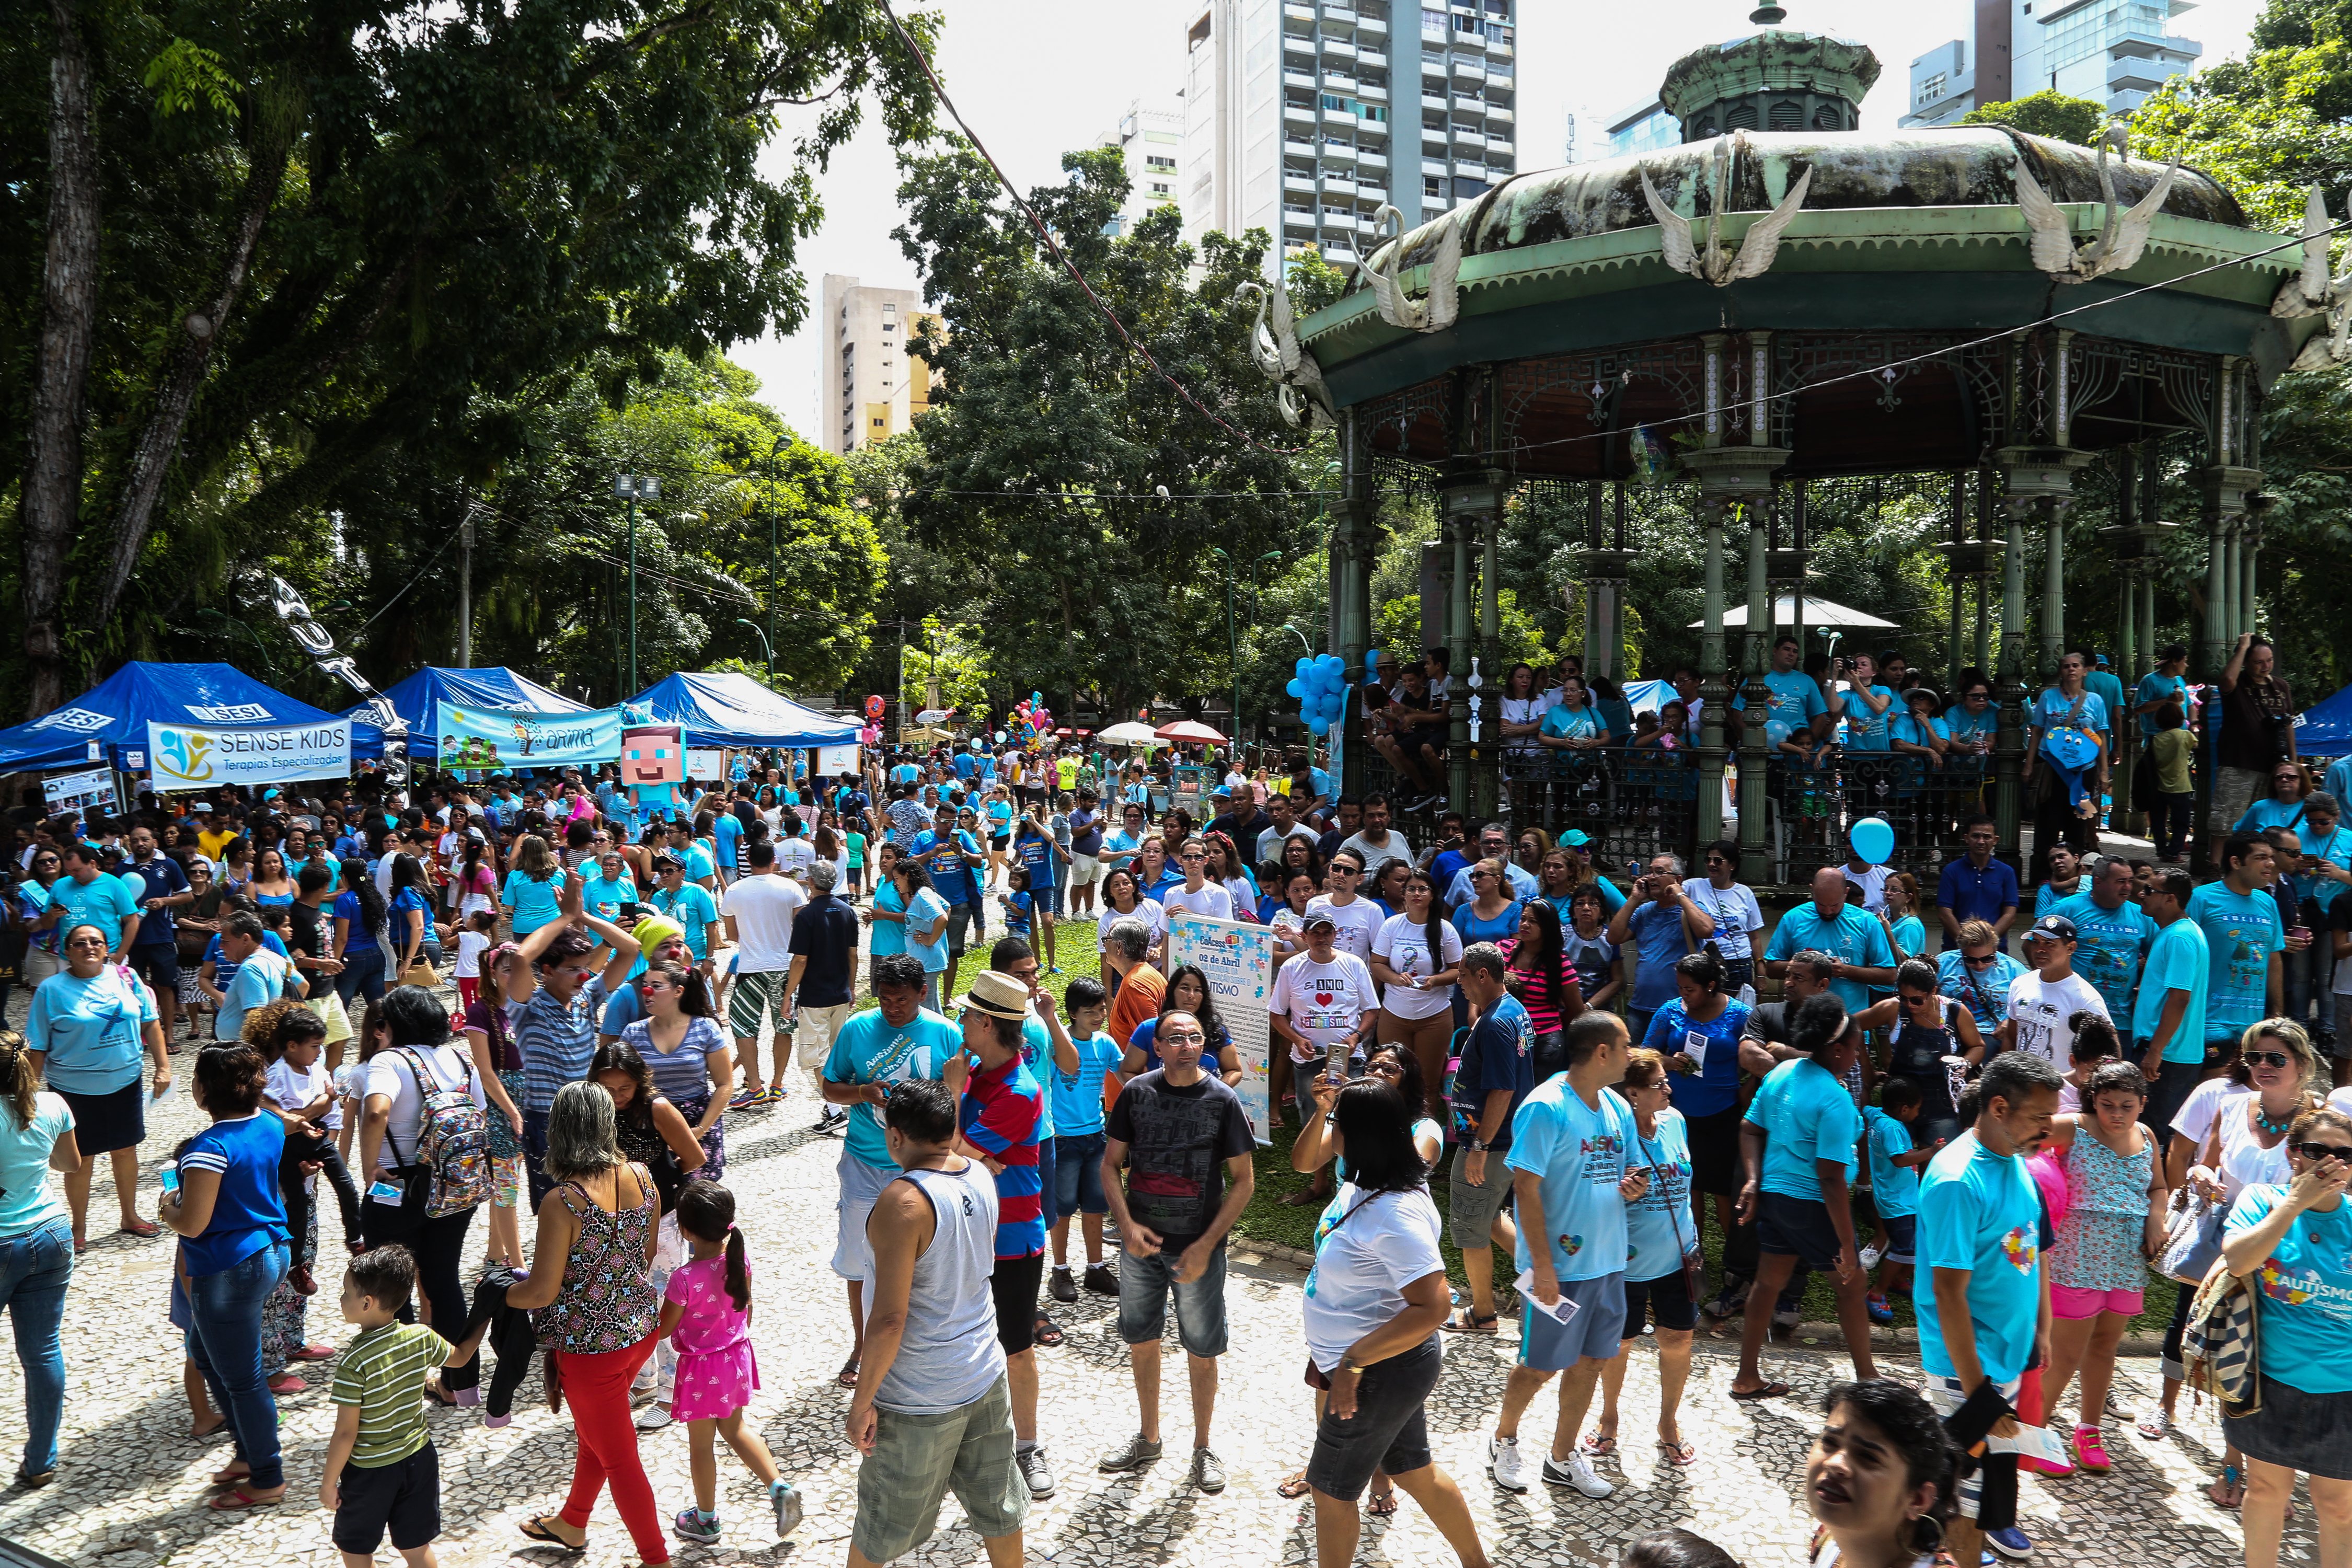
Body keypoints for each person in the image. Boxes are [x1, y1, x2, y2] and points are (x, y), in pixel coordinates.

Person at [1299, 1079, 1493, 1568]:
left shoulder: (1396, 1212)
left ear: (1360, 1135)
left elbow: (1435, 1306)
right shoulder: (1366, 1182)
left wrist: (1354, 1362)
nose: (1331, 1129)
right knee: (1412, 1469)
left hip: (1379, 1371)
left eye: (1335, 1122)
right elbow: (1306, 1161)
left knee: (1331, 1491)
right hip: (1378, 1365)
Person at [843, 1079, 1026, 1568]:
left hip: (919, 1395)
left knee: (880, 1527)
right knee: (1000, 1510)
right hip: (984, 1373)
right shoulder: (982, 1176)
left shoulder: (903, 1203)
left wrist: (862, 1403)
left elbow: (888, 1320)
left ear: (896, 1136)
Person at [502, 1080, 668, 1564]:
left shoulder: (564, 1202)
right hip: (640, 1330)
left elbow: (541, 1291)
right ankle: (572, 1522)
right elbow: (649, 1253)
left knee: (620, 1458)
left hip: (591, 1351)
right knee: (597, 1436)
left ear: (559, 1130)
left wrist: (498, 1294)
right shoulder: (643, 1176)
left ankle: (657, 1559)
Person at [1481, 1011, 1644, 1497]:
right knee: (1538, 1366)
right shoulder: (1545, 1107)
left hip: (1609, 1264)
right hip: (1558, 1271)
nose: (1631, 1053)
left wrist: (1633, 1187)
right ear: (1601, 1053)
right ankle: (1503, 1439)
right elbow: (1525, 1190)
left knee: (1592, 1362)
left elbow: (1629, 1169)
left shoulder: (1616, 1106)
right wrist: (1544, 1266)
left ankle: (1562, 1456)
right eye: (1626, 1045)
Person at [1097, 1004, 1256, 1494]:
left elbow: (1244, 1181)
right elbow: (1109, 1166)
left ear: (1203, 1046)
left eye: (1194, 1037)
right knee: (1141, 1340)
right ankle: (1149, 1437)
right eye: (1176, 1038)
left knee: (1202, 1349)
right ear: (1159, 1047)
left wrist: (1208, 1245)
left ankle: (1203, 1446)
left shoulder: (1223, 1099)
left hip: (1198, 1251)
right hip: (1140, 1248)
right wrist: (1125, 1226)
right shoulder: (1136, 1093)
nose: (1187, 1045)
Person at [1915, 1049, 2064, 1566]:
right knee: (1957, 1500)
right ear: (1999, 1108)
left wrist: (2040, 1328)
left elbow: (2032, 1251)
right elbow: (1947, 1295)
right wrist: (1979, 1394)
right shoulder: (1958, 1180)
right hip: (1967, 1370)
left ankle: (1977, 1552)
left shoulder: (2017, 1163)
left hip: (2006, 1357)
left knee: (1982, 1496)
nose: (2051, 1127)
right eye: (2041, 1117)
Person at [820, 952, 966, 1391]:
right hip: (865, 1161)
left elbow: (961, 1097)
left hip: (926, 1171)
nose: (892, 1008)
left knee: (925, 1260)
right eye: (884, 999)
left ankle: (914, 1343)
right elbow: (829, 1086)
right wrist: (863, 1091)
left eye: (901, 1000)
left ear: (924, 993)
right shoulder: (856, 1029)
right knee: (859, 1260)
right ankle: (864, 1345)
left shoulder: (946, 1034)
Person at [162, 1041, 293, 1511]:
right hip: (272, 1251)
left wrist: (167, 1208)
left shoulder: (207, 1150)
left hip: (228, 1268)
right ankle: (247, 1450)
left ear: (202, 1091)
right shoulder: (271, 1125)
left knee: (243, 1379)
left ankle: (267, 1475)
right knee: (203, 1350)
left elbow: (193, 1223)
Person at [2219, 1103, 2352, 1568]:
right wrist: (2295, 1204)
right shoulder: (2260, 1200)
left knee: (2337, 1508)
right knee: (2265, 1491)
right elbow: (2238, 1260)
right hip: (2269, 1381)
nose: (2330, 1164)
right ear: (2294, 1154)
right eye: (2317, 1151)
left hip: (2343, 1389)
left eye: (2344, 1155)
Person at [1730, 994, 1882, 1399]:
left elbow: (1749, 1128)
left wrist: (1752, 1180)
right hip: (1808, 1204)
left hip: (1775, 1200)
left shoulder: (1783, 1073)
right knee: (1853, 1283)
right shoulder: (1834, 1099)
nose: (1858, 1053)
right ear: (1837, 1050)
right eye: (1856, 1046)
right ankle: (1867, 1380)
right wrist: (1849, 1245)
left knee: (1768, 1283)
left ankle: (1747, 1377)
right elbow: (1830, 1177)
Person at [356, 986, 491, 1406]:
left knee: (390, 1287)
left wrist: (368, 1167)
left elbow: (377, 1110)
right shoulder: (460, 1059)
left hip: (398, 1181)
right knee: (444, 1281)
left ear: (395, 1024)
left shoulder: (389, 1061)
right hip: (453, 1184)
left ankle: (401, 1385)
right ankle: (460, 1385)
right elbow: (480, 1112)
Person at [947, 970, 1053, 1497]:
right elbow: (964, 1158)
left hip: (1012, 1241)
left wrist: (950, 1104)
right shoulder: (974, 1071)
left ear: (987, 1024)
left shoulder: (1019, 1089)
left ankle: (1029, 1447)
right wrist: (977, 1157)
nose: (961, 1021)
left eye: (967, 1014)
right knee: (966, 1342)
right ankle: (969, 1445)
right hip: (967, 1232)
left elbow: (946, 1154)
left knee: (1016, 1347)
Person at [2036, 1060, 2166, 1476]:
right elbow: (2019, 1143)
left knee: (2105, 1347)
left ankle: (2088, 1430)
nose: (2116, 1114)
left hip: (2126, 1260)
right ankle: (2033, 1433)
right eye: (2107, 1104)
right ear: (2093, 1100)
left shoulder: (2147, 1136)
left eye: (2126, 1106)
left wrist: (2157, 1217)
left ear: (2142, 1105)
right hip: (2076, 1257)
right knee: (2064, 1353)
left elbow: (2158, 1187)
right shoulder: (2072, 1126)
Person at [657, 1182, 801, 1546]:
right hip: (735, 1359)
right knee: (736, 1429)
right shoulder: (740, 1259)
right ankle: (779, 1488)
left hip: (701, 1369)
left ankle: (705, 1522)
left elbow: (663, 1330)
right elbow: (745, 1307)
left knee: (701, 1446)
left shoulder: (683, 1279)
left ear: (686, 1230)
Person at [25, 921, 172, 1251]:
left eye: (96, 942)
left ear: (107, 948)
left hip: (125, 1082)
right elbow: (37, 1046)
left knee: (125, 1150)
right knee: (82, 1159)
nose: (89, 947)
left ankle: (129, 1216)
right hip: (73, 1089)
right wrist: (29, 1093)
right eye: (79, 943)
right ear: (67, 951)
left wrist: (163, 1067)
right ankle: (77, 1228)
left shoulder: (127, 977)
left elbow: (151, 1022)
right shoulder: (51, 990)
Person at [1588, 1046, 1702, 1469]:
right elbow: (1594, 1194)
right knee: (1620, 1344)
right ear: (1633, 1093)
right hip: (1625, 1262)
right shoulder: (1614, 1138)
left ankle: (1668, 1423)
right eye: (1658, 1084)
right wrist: (1619, 1192)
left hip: (1678, 1258)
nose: (1668, 1088)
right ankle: (1608, 1418)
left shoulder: (1676, 1122)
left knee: (1678, 1340)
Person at [320, 1246, 463, 1568]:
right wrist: (483, 1316)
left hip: (371, 1472)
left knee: (356, 1548)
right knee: (415, 1546)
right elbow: (460, 1357)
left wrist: (329, 1484)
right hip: (419, 1459)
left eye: (346, 1293)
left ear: (367, 1303)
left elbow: (346, 1433)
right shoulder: (421, 1337)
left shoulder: (354, 1364)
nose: (342, 1299)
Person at [1439, 943, 1535, 1334]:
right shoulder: (1514, 1010)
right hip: (1506, 1140)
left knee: (1469, 1227)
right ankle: (1545, 1274)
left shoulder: (1496, 1023)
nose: (1457, 981)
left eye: (1462, 974)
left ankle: (1482, 1314)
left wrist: (1478, 1147)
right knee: (1492, 1217)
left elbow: (1502, 1091)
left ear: (1482, 975)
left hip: (1489, 1145)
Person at [0, 1028, 79, 1487]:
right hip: (50, 1235)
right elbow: (69, 1165)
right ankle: (41, 1461)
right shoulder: (53, 1105)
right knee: (42, 1351)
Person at [1642, 948, 1749, 1276]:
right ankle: (1691, 1258)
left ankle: (1738, 1265)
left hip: (1723, 1115)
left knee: (1724, 1194)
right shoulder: (1670, 1012)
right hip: (1677, 1116)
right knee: (1688, 1190)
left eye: (1690, 989)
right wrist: (1668, 1062)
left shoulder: (1741, 1015)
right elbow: (1643, 1053)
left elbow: (1755, 1060)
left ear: (1711, 986)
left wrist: (1745, 1091)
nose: (1683, 995)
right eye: (1680, 988)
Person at [1270, 911, 1378, 1203]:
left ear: (1335, 935)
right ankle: (1320, 1183)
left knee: (1351, 1117)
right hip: (1309, 1058)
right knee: (1312, 1118)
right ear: (1304, 936)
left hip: (1349, 1057)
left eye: (1327, 932)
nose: (1321, 938)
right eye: (1315, 933)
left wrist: (1357, 1036)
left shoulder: (1354, 965)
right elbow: (1277, 1015)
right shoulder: (1293, 967)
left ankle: (1353, 1182)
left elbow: (1371, 1009)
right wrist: (1297, 1039)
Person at [1803, 1380, 1961, 1568]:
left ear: (1918, 1499)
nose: (1835, 1464)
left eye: (1868, 1456)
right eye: (1830, 1441)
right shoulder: (1827, 1539)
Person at [1045, 977, 1122, 1304]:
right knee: (1061, 1210)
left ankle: (1096, 1267)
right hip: (1062, 1140)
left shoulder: (1105, 1044)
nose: (1099, 1016)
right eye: (1091, 1011)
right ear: (1072, 1013)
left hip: (1096, 1139)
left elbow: (1127, 1076)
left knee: (1095, 1207)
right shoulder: (1054, 1042)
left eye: (1102, 1009)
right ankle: (1060, 1270)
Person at [1857, 959, 1982, 1151]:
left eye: (1917, 1000)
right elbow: (1850, 1026)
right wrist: (1868, 1070)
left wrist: (1965, 1062)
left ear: (1933, 991)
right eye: (1903, 997)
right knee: (1897, 1163)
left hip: (1942, 1103)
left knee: (1936, 1164)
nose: (1909, 1005)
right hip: (1900, 1103)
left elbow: (1977, 1046)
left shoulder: (1955, 1012)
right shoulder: (1892, 1009)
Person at [2195, 834, 2295, 1071]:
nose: (2270, 863)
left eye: (2271, 857)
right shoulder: (2201, 898)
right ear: (2236, 862)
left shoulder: (2268, 902)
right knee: (2216, 1091)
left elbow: (2273, 959)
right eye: (2261, 858)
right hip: (2210, 1018)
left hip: (2254, 1024)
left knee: (2251, 1093)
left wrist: (2276, 1014)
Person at [1373, 868, 1462, 1120]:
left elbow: (1458, 971)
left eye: (1423, 889)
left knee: (1427, 1083)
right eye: (1411, 888)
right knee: (1391, 1079)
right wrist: (1395, 978)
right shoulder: (1391, 926)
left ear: (1433, 895)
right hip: (1394, 1014)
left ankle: (1425, 1138)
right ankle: (1393, 1134)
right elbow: (1377, 964)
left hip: (1434, 1017)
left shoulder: (1445, 930)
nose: (1416, 893)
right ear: (1404, 894)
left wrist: (1435, 981)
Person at [1609, 855, 1716, 1043]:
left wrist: (1680, 895)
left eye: (1659, 872)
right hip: (1640, 1007)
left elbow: (1706, 930)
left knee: (1677, 1062)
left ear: (1678, 879)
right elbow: (1614, 937)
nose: (1652, 877)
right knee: (1637, 1065)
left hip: (1680, 1007)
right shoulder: (1644, 911)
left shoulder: (1692, 909)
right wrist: (1634, 899)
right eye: (1650, 872)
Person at [1765, 866, 1896, 1019]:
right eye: (1821, 904)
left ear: (1846, 893)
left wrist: (1846, 970)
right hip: (1802, 1023)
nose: (1828, 912)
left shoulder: (1867, 922)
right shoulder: (1793, 918)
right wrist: (1808, 968)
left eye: (1834, 905)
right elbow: (1771, 968)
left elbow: (1889, 975)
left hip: (1850, 1023)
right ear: (1812, 891)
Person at [2215, 633, 2298, 862]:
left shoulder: (2281, 686)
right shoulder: (2238, 682)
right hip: (2238, 761)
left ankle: (2255, 867)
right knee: (2226, 820)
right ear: (2245, 662)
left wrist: (2293, 761)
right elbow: (2226, 681)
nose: (2266, 666)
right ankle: (2216, 867)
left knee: (2263, 821)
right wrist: (2242, 647)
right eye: (2259, 662)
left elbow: (2288, 723)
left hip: (2272, 765)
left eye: (2269, 660)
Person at [1999, 914, 2110, 1070]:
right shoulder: (2020, 984)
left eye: (2049, 944)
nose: (2040, 949)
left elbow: (2108, 1053)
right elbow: (2011, 1037)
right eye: (2036, 942)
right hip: (2020, 1086)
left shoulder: (2086, 998)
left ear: (2071, 948)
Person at [1683, 841, 1765, 993]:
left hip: (1740, 964)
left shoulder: (1745, 893)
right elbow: (1668, 891)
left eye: (1718, 861)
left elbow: (1754, 936)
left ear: (1732, 865)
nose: (1712, 864)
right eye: (1708, 860)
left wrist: (1761, 973)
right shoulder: (1692, 887)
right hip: (1707, 963)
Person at [1935, 816, 2019, 953]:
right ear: (1967, 838)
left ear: (1995, 840)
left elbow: (2010, 915)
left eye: (1987, 837)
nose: (1981, 841)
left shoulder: (2006, 872)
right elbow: (1945, 914)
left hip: (1996, 952)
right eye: (1976, 836)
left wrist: (1987, 944)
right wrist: (1966, 944)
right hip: (1956, 951)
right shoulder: (1951, 871)